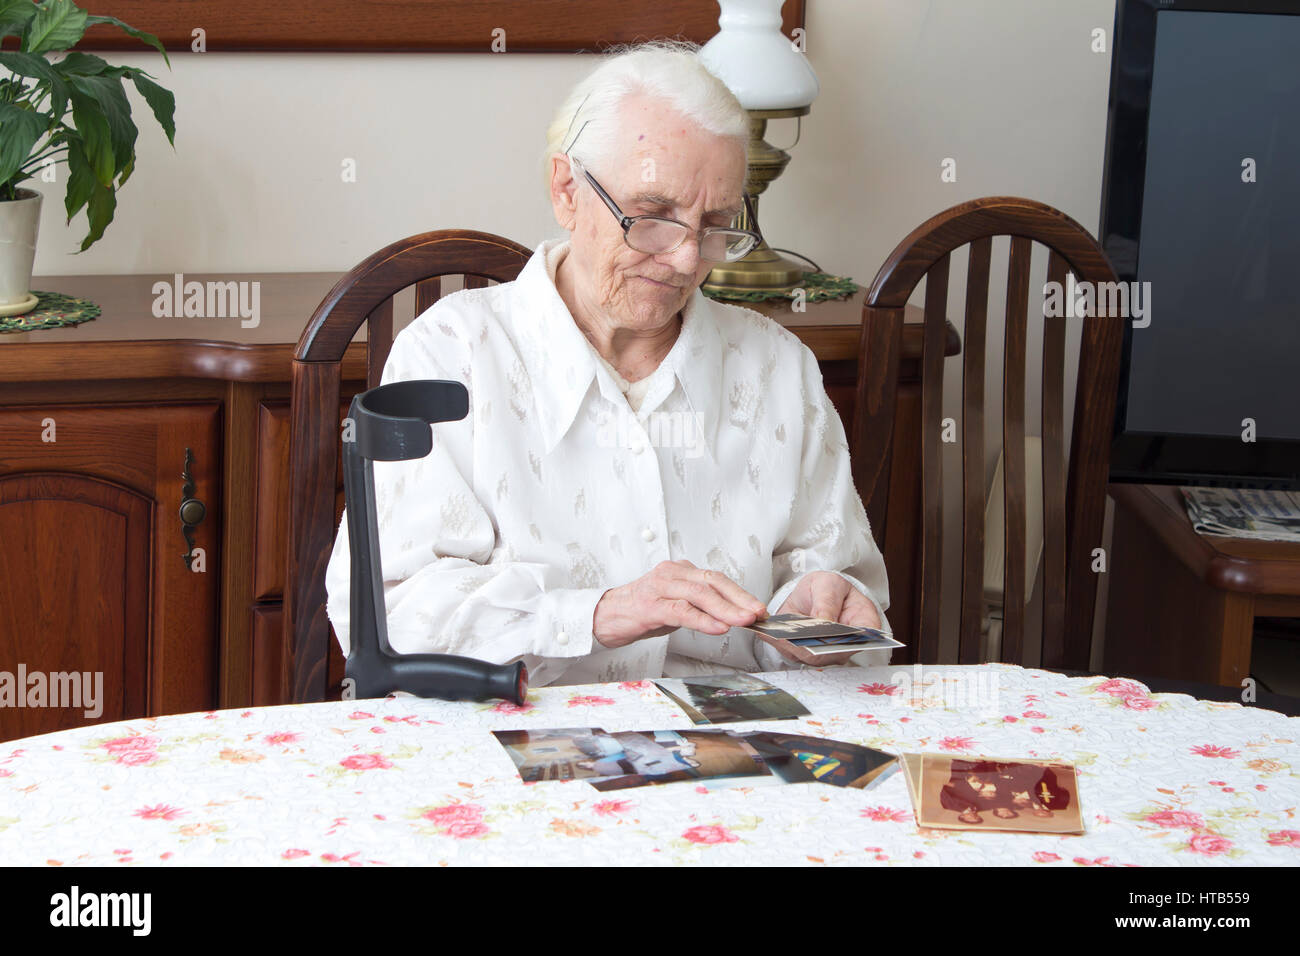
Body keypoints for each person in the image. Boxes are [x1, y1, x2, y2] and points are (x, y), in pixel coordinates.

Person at [324, 40, 890, 686]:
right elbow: (385, 613)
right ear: (566, 189)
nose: (685, 260)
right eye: (652, 218)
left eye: (714, 226)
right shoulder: (453, 356)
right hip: (515, 742)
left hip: (729, 754)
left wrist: (823, 605)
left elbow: (835, 580)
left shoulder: (776, 368)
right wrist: (593, 614)